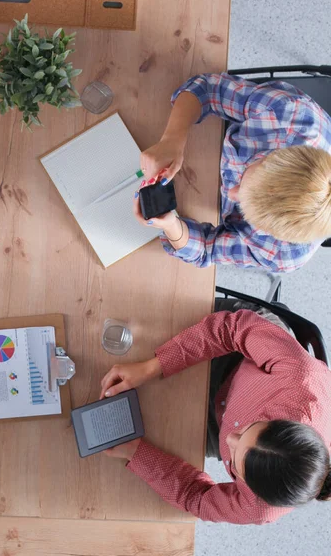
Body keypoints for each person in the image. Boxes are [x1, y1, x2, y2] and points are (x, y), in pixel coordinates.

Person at [100, 308, 331, 524]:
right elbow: (231, 329)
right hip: (239, 353)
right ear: (278, 422)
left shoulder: (258, 508)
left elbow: (198, 498)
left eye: (236, 465)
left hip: (223, 414)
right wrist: (153, 367)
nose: (231, 438)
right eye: (246, 431)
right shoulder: (299, 377)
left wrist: (136, 453)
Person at [133, 72, 331, 272]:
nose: (230, 193)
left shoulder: (284, 255)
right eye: (247, 175)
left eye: (246, 207)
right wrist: (172, 140)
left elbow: (206, 250)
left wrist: (170, 225)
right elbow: (208, 89)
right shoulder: (288, 114)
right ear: (273, 154)